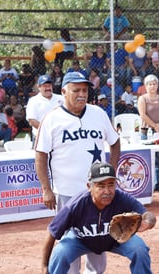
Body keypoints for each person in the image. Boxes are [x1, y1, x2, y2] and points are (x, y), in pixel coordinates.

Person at [35, 71, 121, 273]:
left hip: (97, 193)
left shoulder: (98, 113)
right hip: (67, 192)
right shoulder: (52, 119)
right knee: (69, 243)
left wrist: (112, 172)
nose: (82, 94)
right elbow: (40, 156)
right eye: (76, 90)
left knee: (98, 242)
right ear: (63, 91)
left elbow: (115, 142)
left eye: (85, 90)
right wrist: (46, 189)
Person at [41, 161, 155, 274]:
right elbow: (52, 232)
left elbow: (147, 214)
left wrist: (148, 222)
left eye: (111, 185)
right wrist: (45, 265)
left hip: (115, 239)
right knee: (61, 252)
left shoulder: (121, 198)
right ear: (89, 187)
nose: (107, 191)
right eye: (101, 186)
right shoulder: (75, 205)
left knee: (139, 249)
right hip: (81, 240)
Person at [137, 74, 159, 193]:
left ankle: (158, 183)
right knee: (146, 158)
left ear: (157, 85)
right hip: (146, 131)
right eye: (149, 84)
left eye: (154, 84)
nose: (152, 86)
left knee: (157, 158)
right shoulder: (143, 99)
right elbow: (143, 115)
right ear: (146, 86)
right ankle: (146, 184)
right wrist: (155, 125)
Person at [26, 75, 64, 140]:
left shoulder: (61, 98)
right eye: (45, 86)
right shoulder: (33, 101)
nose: (48, 88)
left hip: (59, 136)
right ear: (39, 87)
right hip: (40, 137)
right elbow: (32, 121)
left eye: (49, 86)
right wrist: (48, 131)